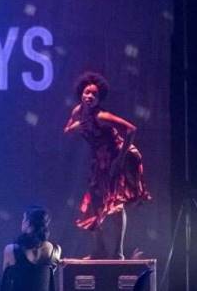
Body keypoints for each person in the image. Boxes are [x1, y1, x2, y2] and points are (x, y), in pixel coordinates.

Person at [64, 72, 151, 259]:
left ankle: (118, 252)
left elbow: (131, 130)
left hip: (118, 158)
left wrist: (119, 160)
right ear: (81, 94)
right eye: (87, 92)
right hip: (100, 161)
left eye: (94, 94)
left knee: (116, 204)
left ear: (99, 98)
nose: (89, 96)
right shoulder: (78, 112)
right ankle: (99, 249)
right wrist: (75, 127)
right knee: (93, 204)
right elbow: (68, 130)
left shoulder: (102, 116)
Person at [3, 205, 61, 270]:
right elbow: (50, 274)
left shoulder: (10, 250)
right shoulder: (56, 250)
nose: (22, 222)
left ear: (28, 223)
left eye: (24, 218)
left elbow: (6, 275)